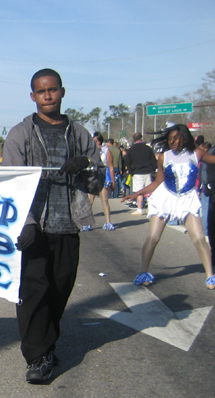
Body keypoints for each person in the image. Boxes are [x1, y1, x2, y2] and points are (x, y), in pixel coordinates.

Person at [2, 68, 102, 384]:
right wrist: (27, 222)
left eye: (53, 89)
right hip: (34, 229)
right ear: (33, 96)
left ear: (62, 92)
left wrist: (85, 165)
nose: (47, 95)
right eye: (41, 91)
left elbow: (98, 179)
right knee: (34, 293)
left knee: (59, 290)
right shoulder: (20, 134)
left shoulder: (80, 134)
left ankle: (47, 345)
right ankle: (38, 358)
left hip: (68, 224)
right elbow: (11, 183)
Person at [122, 124, 215, 289]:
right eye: (170, 139)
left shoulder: (197, 153)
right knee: (153, 238)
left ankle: (210, 277)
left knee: (199, 238)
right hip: (165, 198)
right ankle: (143, 272)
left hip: (187, 199)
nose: (172, 141)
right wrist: (138, 193)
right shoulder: (164, 157)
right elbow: (158, 182)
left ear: (184, 138)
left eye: (176, 138)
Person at [82, 134, 115, 231]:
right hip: (92, 175)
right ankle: (87, 223)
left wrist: (113, 182)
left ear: (99, 141)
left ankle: (108, 222)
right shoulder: (89, 151)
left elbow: (111, 166)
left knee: (104, 200)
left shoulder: (106, 151)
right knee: (89, 200)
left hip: (104, 175)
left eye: (95, 141)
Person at [124, 132, 156, 215]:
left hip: (137, 172)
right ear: (141, 138)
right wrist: (153, 169)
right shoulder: (147, 148)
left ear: (134, 139)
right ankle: (150, 208)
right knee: (149, 191)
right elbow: (153, 160)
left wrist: (131, 172)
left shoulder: (131, 149)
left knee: (139, 191)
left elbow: (127, 162)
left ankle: (140, 209)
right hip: (148, 171)